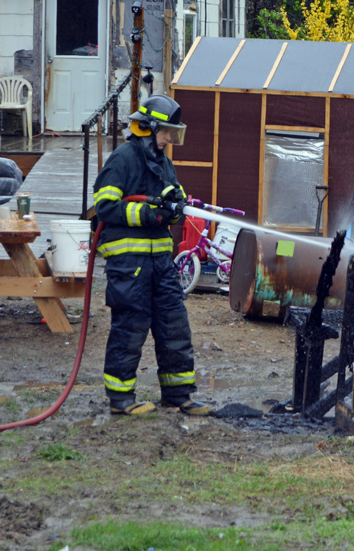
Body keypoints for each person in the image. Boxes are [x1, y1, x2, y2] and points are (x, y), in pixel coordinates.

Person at [92, 94, 210, 416]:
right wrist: (146, 213)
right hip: (129, 265)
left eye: (175, 132)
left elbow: (172, 208)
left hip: (161, 264)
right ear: (147, 128)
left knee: (174, 325)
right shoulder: (123, 159)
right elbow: (105, 206)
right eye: (167, 132)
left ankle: (179, 394)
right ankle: (121, 400)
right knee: (130, 328)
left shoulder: (164, 163)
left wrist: (175, 208)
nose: (171, 139)